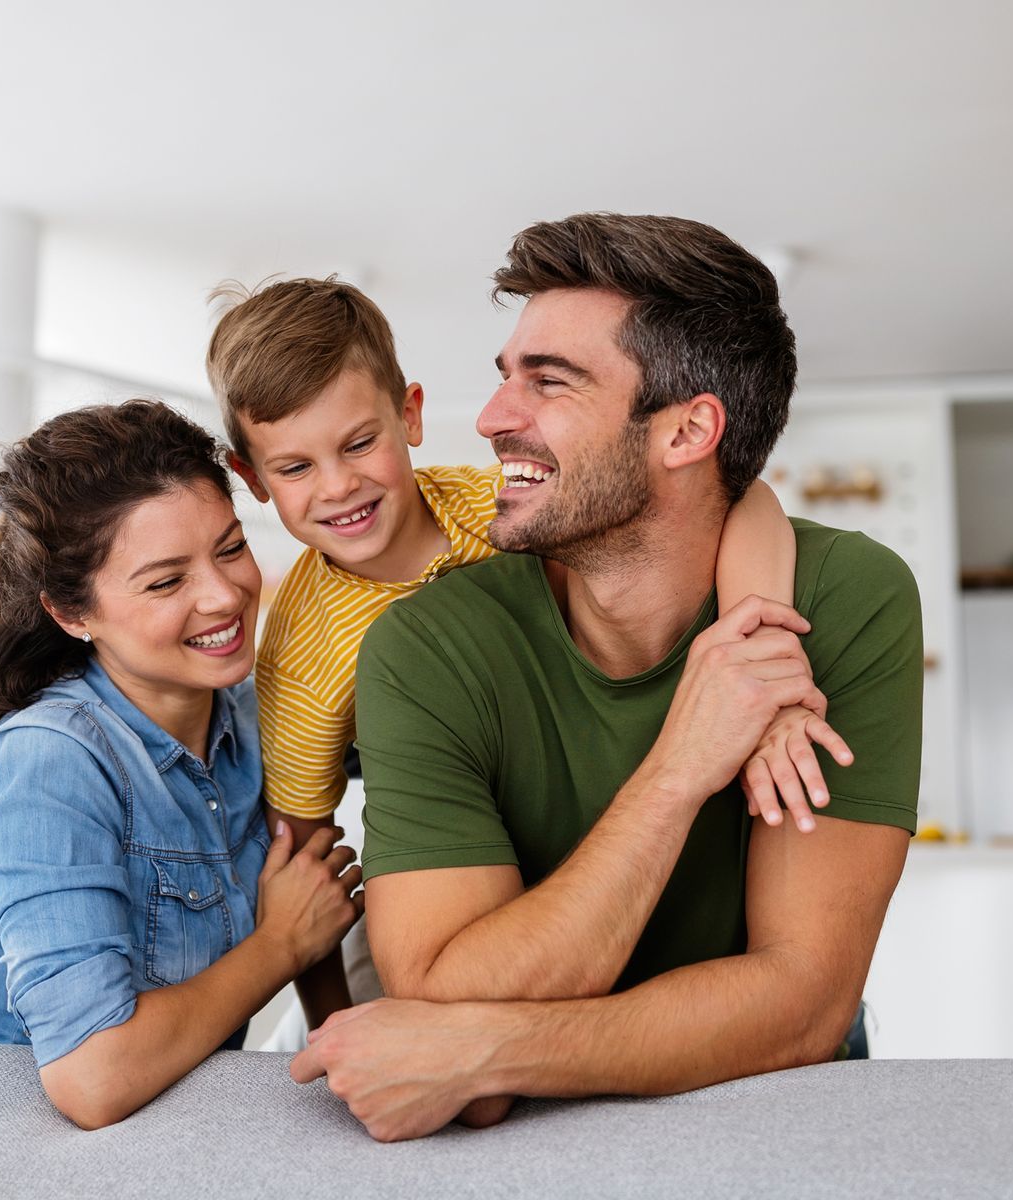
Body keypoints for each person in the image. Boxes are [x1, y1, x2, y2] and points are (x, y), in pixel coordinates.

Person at [290, 214, 923, 1141]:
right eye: (507, 374)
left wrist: (487, 1050)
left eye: (548, 381)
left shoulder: (844, 599)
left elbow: (803, 1004)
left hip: (771, 1115)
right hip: (518, 1145)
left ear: (688, 430)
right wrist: (678, 771)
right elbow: (438, 983)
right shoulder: (426, 646)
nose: (492, 416)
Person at [205, 276, 838, 1032]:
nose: (339, 486)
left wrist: (759, 653)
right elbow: (304, 856)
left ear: (409, 414)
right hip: (443, 879)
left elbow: (744, 496)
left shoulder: (494, 505)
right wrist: (332, 1022)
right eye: (296, 467)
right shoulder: (305, 660)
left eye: (359, 442)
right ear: (252, 479)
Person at [0, 400, 362, 1131]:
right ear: (73, 614)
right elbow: (92, 1077)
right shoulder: (51, 761)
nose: (224, 594)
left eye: (229, 548)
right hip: (18, 1156)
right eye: (166, 582)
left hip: (172, 1132)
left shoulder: (252, 712)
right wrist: (281, 943)